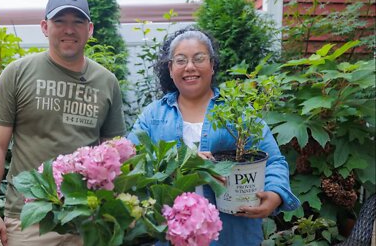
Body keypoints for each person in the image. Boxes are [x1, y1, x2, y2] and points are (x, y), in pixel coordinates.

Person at [0, 0, 126, 246]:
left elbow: (116, 152)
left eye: (77, 22)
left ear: (89, 29)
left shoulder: (107, 81)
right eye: (60, 21)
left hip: (87, 219)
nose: (69, 29)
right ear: (45, 27)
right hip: (30, 220)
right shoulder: (17, 73)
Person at [127, 27, 300, 245]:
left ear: (212, 65)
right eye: (181, 60)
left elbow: (274, 161)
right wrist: (183, 163)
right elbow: (132, 164)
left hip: (232, 233)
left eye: (199, 58)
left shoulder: (238, 113)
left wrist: (275, 193)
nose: (190, 67)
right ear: (170, 69)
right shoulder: (153, 116)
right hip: (171, 234)